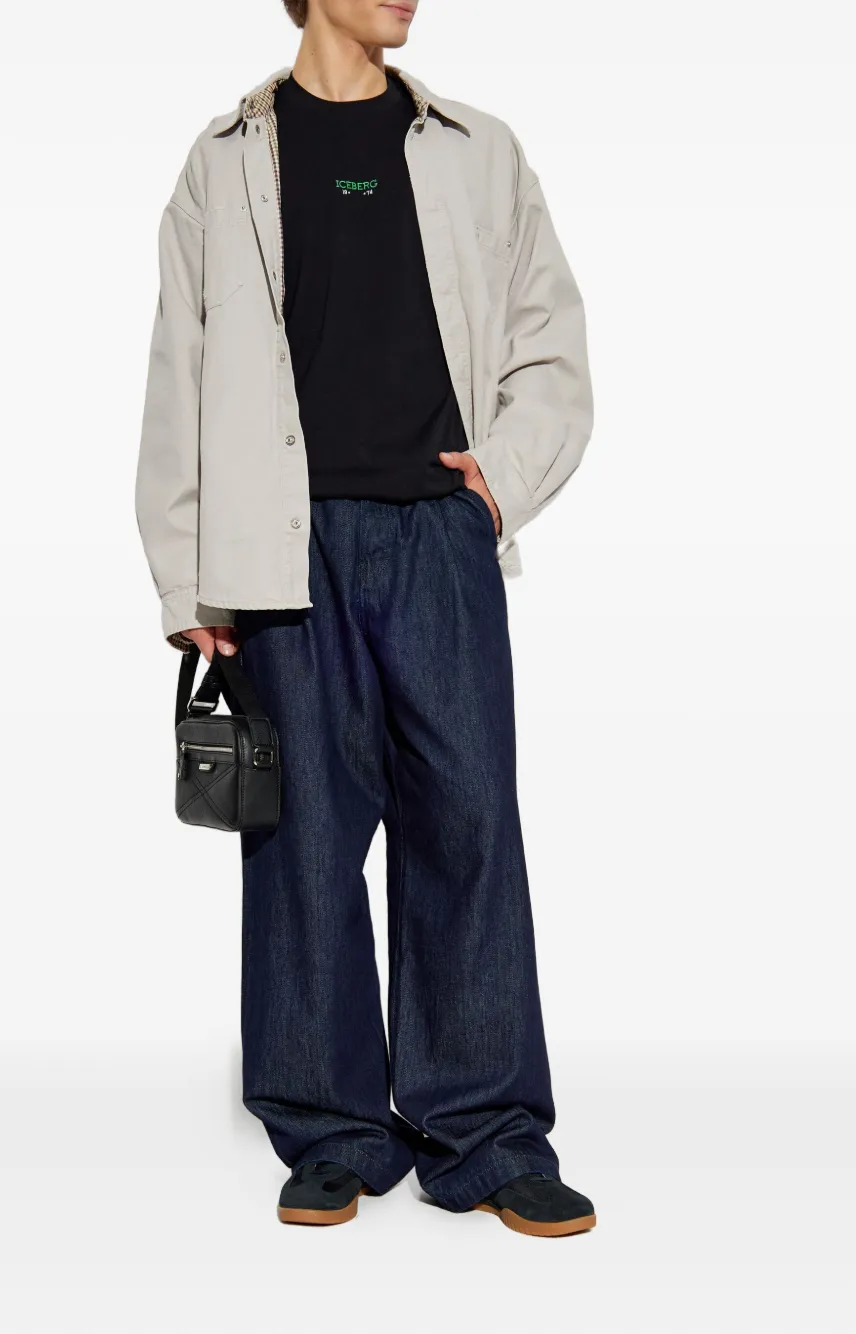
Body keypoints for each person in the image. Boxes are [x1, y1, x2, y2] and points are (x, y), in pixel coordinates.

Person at [135, 0, 596, 1236]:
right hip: (281, 551)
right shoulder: (224, 160)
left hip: (438, 535)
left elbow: (551, 340)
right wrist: (188, 579)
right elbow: (179, 370)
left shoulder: (478, 149)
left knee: (470, 824)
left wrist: (497, 484)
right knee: (302, 842)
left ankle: (487, 1132)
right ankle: (331, 1129)